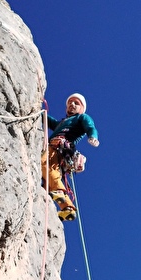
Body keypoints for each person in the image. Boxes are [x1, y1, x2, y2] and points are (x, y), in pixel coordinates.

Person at [42, 93, 99, 221]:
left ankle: (60, 192)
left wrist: (93, 137)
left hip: (60, 146)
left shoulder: (81, 118)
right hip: (56, 147)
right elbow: (47, 119)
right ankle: (67, 208)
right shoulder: (62, 122)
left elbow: (90, 127)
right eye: (70, 103)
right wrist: (39, 111)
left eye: (76, 103)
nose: (72, 104)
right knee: (48, 175)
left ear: (82, 108)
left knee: (45, 164)